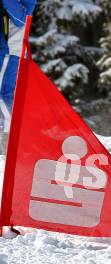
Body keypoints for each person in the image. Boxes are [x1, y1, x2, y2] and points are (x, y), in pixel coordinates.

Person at [0, 0, 36, 152]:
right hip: (6, 50)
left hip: (11, 52)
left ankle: (9, 135)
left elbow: (21, 19)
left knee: (2, 94)